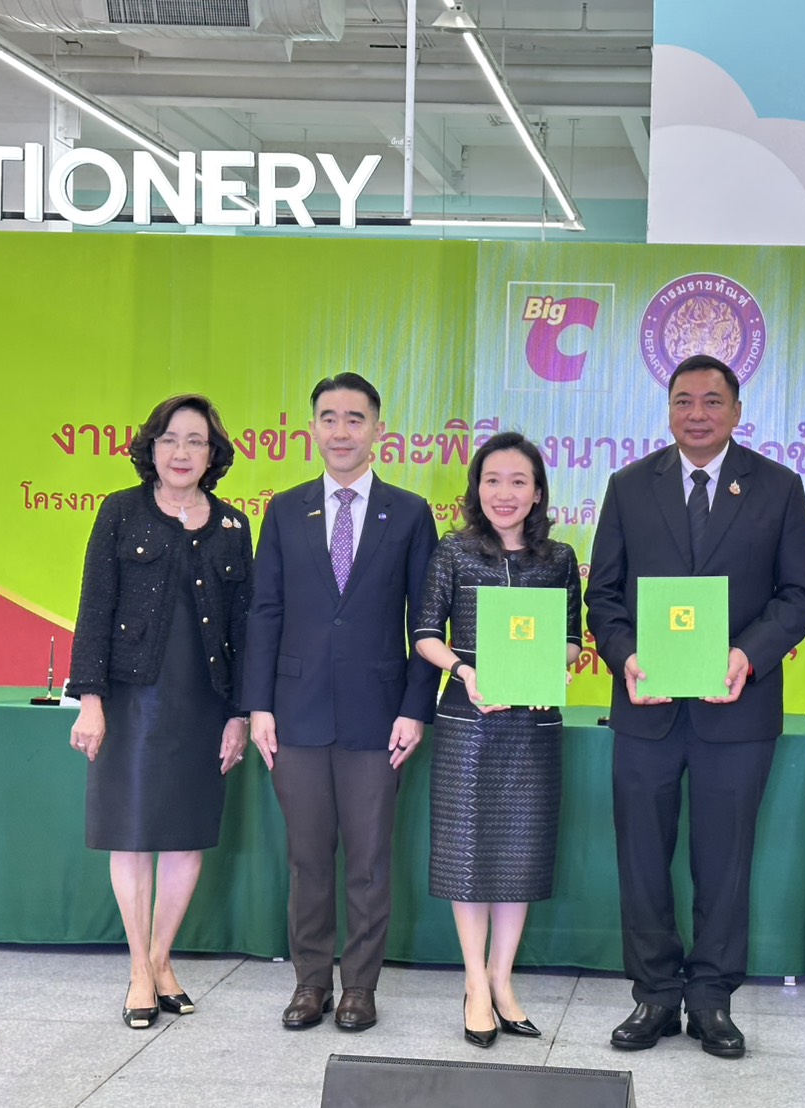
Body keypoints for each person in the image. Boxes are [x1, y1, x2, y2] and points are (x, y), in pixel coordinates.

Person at [585, 353, 805, 1059]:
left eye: (712, 401)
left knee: (725, 861)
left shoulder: (778, 487)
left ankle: (713, 998)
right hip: (646, 708)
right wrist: (626, 656)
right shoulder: (629, 486)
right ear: (667, 411)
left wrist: (747, 654)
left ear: (736, 411)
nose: (697, 413)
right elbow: (604, 595)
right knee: (642, 857)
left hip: (736, 708)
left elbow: (798, 595)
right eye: (683, 400)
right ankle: (655, 995)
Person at [243, 372, 440, 1032]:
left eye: (355, 418)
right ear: (312, 429)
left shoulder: (409, 512)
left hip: (378, 717)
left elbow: (425, 621)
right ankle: (309, 983)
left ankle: (359, 987)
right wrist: (258, 705)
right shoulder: (284, 509)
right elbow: (265, 611)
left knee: (369, 862)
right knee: (307, 860)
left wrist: (415, 707)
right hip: (294, 713)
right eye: (328, 417)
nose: (341, 430)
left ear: (378, 430)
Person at [68, 393, 253, 1029]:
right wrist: (90, 701)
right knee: (133, 834)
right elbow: (94, 607)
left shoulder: (234, 525)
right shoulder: (121, 511)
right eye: (170, 439)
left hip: (204, 702)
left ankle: (160, 958)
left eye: (196, 441)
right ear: (151, 447)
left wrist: (240, 714)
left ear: (213, 453)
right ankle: (140, 973)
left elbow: (246, 628)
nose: (182, 452)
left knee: (185, 836)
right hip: (131, 699)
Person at [412, 432, 582, 1048]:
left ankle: (502, 981)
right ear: (476, 489)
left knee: (520, 855)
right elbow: (425, 634)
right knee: (469, 857)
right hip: (469, 720)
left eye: (518, 481)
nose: (503, 493)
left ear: (537, 492)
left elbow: (573, 638)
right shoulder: (454, 550)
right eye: (492, 480)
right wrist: (464, 670)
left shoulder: (558, 558)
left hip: (532, 726)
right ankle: (474, 984)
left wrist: (552, 668)